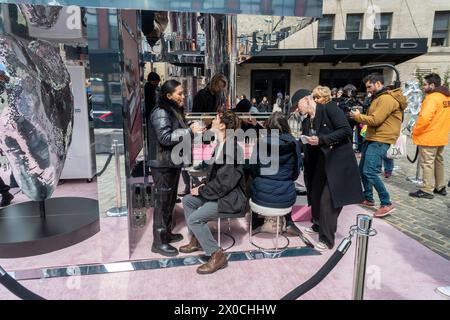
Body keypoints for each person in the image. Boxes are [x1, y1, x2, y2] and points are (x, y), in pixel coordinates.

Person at [179, 112, 247, 274]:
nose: (212, 120)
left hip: (229, 198)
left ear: (223, 125)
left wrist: (202, 189)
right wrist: (202, 186)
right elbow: (216, 178)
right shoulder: (220, 145)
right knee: (188, 200)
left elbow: (225, 184)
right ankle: (197, 239)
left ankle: (217, 255)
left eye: (216, 119)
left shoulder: (232, 148)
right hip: (219, 193)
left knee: (195, 219)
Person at [299, 86, 363, 251]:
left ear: (307, 101)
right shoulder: (307, 120)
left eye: (300, 107)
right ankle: (318, 225)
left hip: (338, 162)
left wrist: (321, 139)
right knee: (316, 194)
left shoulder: (329, 108)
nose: (300, 112)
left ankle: (327, 239)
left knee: (328, 201)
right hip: (320, 163)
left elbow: (346, 131)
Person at [148, 80, 203, 256]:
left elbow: (175, 131)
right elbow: (165, 137)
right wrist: (190, 132)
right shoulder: (161, 112)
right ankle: (158, 242)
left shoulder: (171, 110)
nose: (183, 96)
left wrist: (188, 128)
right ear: (168, 96)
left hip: (170, 163)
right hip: (162, 164)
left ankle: (166, 234)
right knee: (162, 202)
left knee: (169, 201)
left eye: (182, 93)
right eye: (179, 93)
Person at [350, 73, 407, 218]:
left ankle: (386, 203)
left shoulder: (387, 99)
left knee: (369, 171)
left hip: (381, 139)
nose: (368, 90)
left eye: (369, 86)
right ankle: (368, 198)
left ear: (378, 83)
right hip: (373, 137)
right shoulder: (379, 98)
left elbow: (376, 119)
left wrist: (358, 116)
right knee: (362, 170)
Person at [250, 112, 303, 237]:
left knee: (252, 184)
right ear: (286, 126)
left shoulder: (260, 142)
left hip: (261, 196)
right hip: (286, 198)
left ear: (267, 126)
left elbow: (254, 169)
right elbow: (296, 171)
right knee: (287, 186)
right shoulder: (294, 143)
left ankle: (256, 223)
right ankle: (289, 222)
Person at [409, 73, 450, 199]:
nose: (423, 87)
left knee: (427, 163)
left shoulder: (432, 98)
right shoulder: (446, 97)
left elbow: (424, 118)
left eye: (425, 84)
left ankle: (427, 189)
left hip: (429, 136)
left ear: (432, 85)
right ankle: (440, 186)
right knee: (438, 161)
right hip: (441, 135)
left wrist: (415, 130)